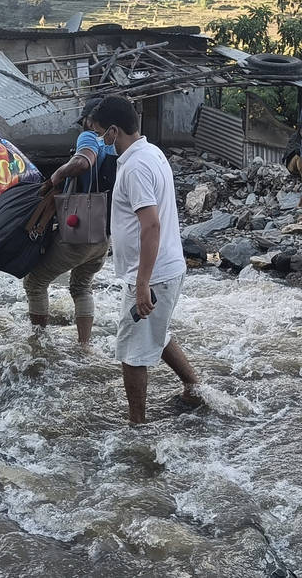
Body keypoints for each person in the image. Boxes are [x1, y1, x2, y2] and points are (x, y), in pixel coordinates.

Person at [84, 96, 201, 424]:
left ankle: (137, 425)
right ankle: (193, 387)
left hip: (153, 274)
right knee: (156, 333)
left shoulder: (135, 166)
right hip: (165, 267)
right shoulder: (151, 152)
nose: (98, 141)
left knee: (133, 354)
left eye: (98, 134)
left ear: (113, 130)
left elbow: (151, 224)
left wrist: (141, 283)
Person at [24, 98, 115, 343]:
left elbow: (82, 161)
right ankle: (84, 345)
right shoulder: (117, 145)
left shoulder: (89, 137)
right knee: (81, 287)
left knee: (35, 282)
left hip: (80, 228)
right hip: (104, 234)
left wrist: (56, 176)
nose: (84, 126)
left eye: (85, 122)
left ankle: (39, 342)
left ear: (91, 120)